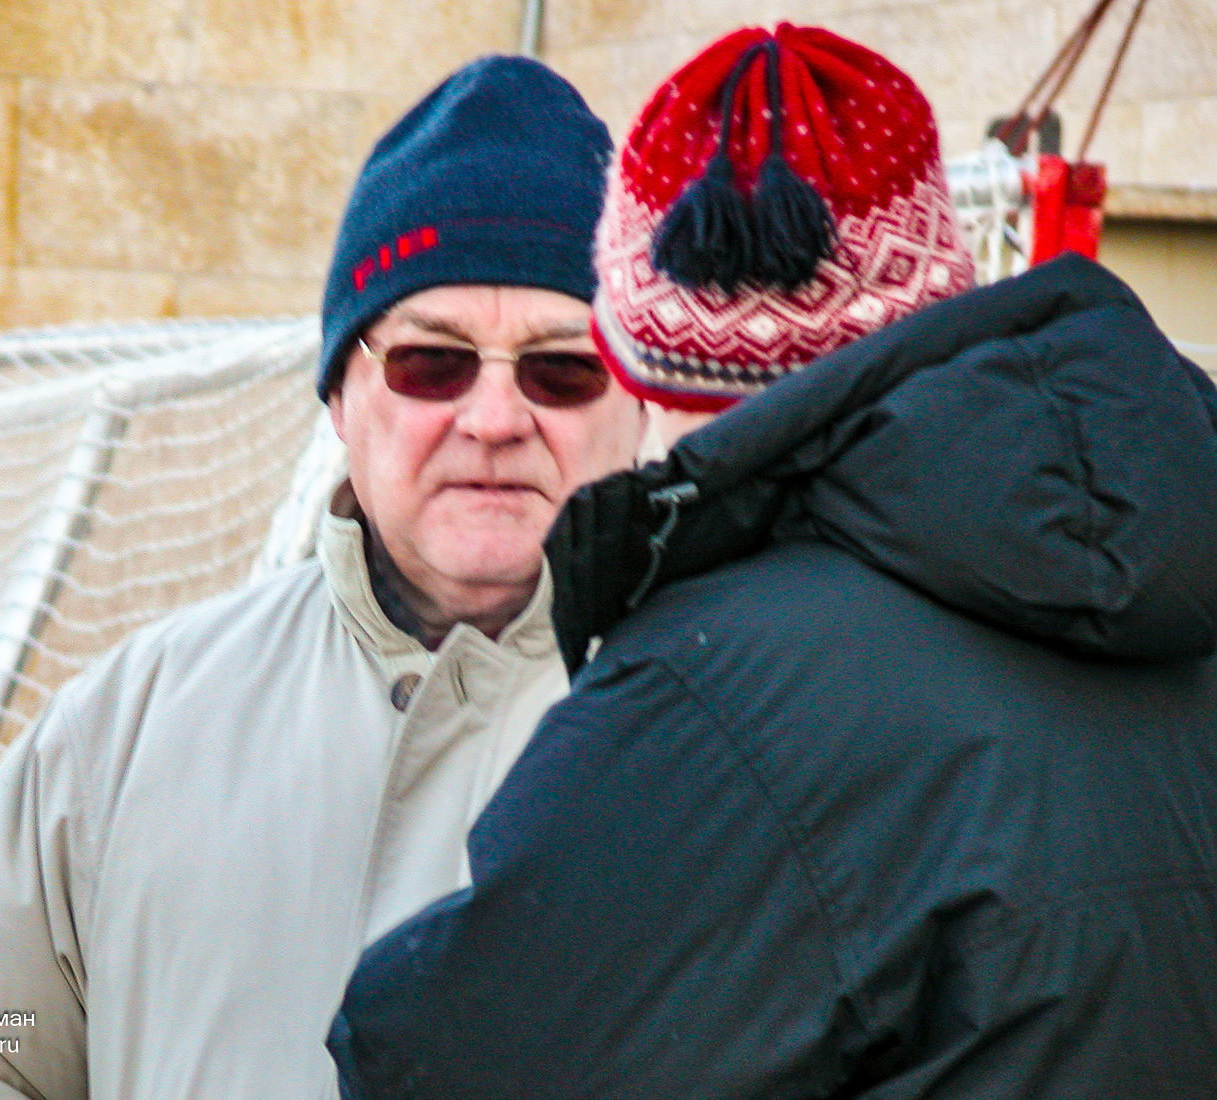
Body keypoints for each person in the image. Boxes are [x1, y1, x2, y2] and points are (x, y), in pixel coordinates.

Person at [330, 24, 1217, 1098]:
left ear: (640, 362)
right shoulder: (1177, 564)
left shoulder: (714, 694)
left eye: (563, 370)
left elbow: (435, 1060)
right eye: (431, 364)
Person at [0, 56, 645, 1098]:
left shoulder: (729, 732)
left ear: (638, 399)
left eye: (561, 368)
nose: (493, 419)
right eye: (431, 363)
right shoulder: (132, 723)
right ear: (340, 395)